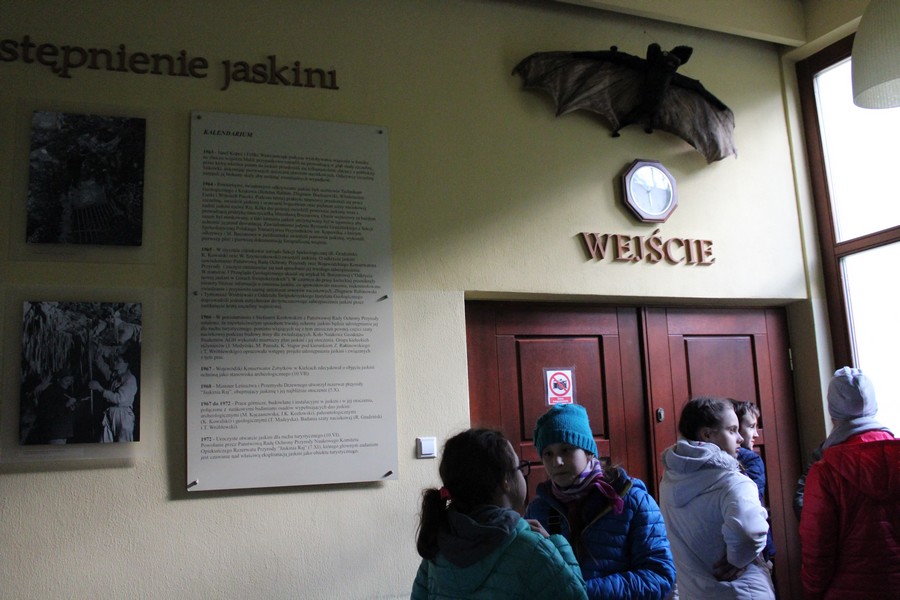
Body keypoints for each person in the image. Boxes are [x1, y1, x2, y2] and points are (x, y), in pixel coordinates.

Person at [411, 428, 587, 600]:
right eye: (520, 467)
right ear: (505, 481)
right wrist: (556, 545)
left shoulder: (437, 547)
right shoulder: (534, 549)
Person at [525, 403, 675, 600]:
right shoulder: (539, 509)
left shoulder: (632, 500)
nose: (557, 462)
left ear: (588, 452)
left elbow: (659, 576)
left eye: (566, 450)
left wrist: (583, 591)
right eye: (548, 454)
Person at [798, 366, 899, 599]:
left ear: (833, 413)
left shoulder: (826, 472)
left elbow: (817, 548)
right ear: (874, 407)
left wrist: (812, 592)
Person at [659, 396, 775, 599]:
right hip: (741, 591)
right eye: (732, 430)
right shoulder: (734, 482)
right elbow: (749, 533)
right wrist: (738, 560)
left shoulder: (669, 481)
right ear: (707, 434)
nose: (740, 438)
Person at [730, 400, 775, 562]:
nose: (756, 434)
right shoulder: (751, 460)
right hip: (752, 549)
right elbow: (752, 507)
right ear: (734, 427)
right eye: (751, 427)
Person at [89, 354, 137, 442]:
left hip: (123, 415)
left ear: (126, 364)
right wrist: (97, 357)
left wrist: (100, 388)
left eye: (118, 361)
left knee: (123, 445)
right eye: (115, 360)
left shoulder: (130, 379)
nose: (115, 363)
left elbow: (119, 398)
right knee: (104, 443)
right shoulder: (115, 376)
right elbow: (104, 368)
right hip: (110, 413)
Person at [31, 371, 79, 444]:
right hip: (54, 432)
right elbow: (47, 412)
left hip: (64, 432)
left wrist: (71, 408)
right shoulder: (50, 392)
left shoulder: (67, 392)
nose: (69, 383)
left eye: (71, 381)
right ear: (58, 380)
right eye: (66, 380)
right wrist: (66, 405)